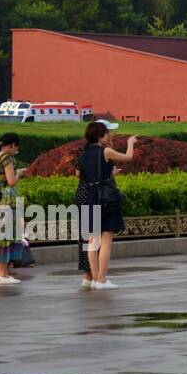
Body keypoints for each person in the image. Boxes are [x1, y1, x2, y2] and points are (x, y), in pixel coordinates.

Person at [79, 121, 137, 290]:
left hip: (90, 196)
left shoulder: (84, 154)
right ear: (100, 136)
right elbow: (128, 157)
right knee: (106, 239)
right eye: (106, 133)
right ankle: (102, 279)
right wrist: (130, 143)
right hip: (106, 198)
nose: (108, 135)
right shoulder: (106, 151)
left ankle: (95, 278)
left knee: (92, 240)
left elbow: (89, 175)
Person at [0, 133, 21, 285]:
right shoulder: (5, 158)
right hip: (6, 200)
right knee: (4, 237)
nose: (16, 149)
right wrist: (19, 173)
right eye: (16, 146)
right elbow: (11, 181)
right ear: (12, 145)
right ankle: (2, 274)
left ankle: (4, 273)